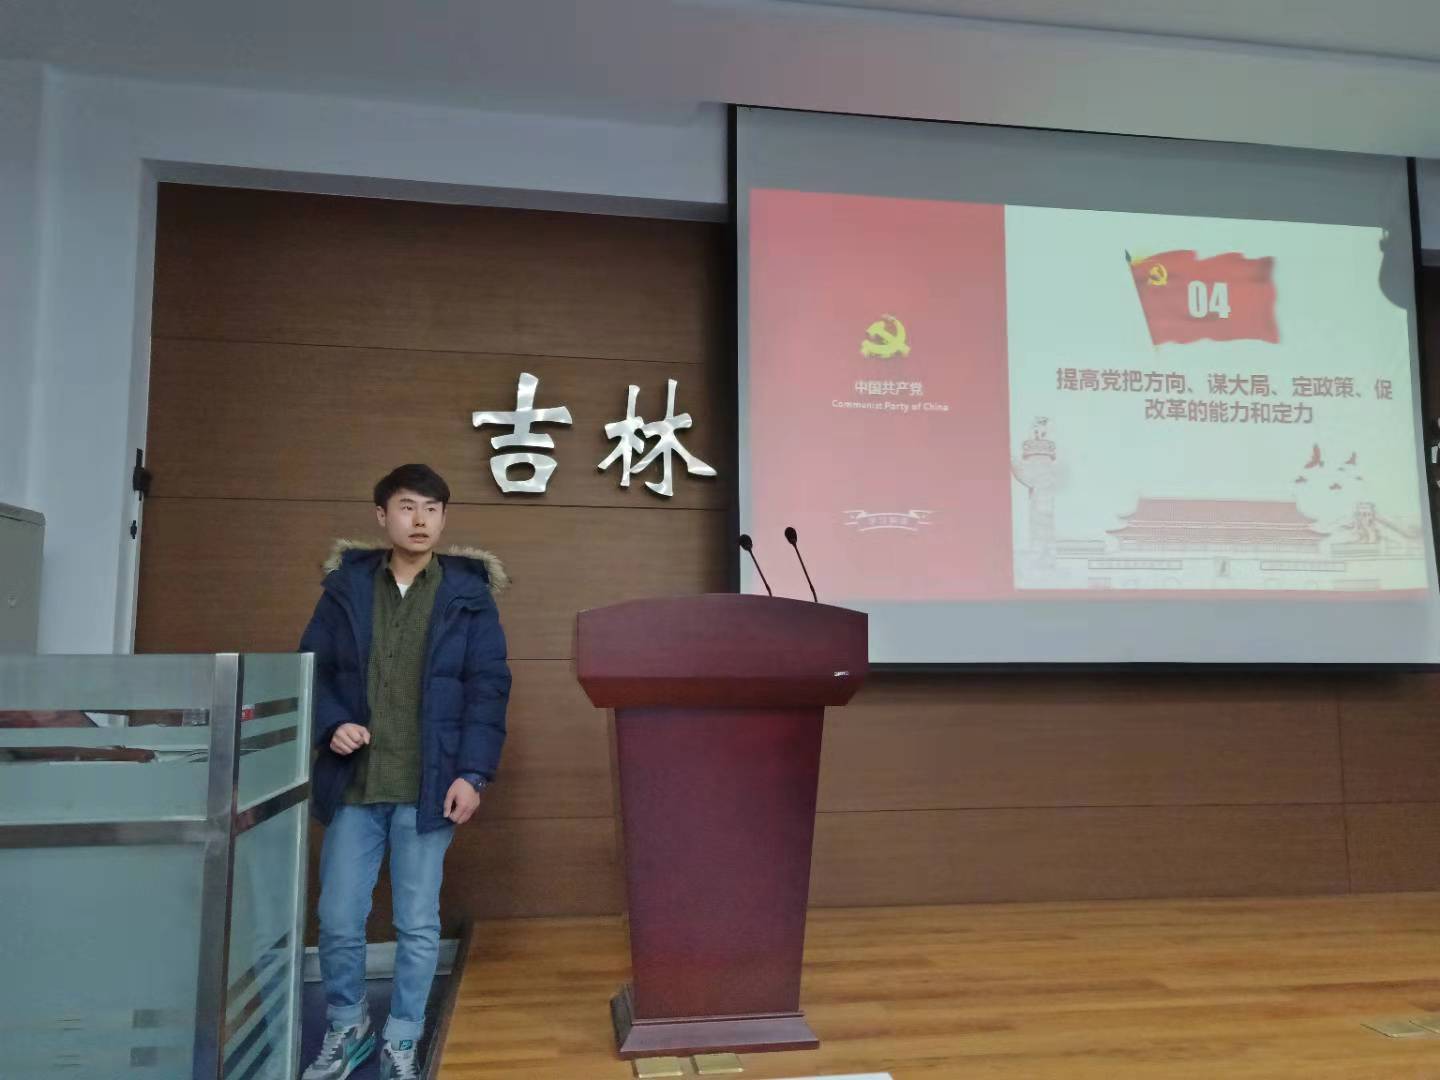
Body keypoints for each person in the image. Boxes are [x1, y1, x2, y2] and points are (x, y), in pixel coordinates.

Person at [299, 464, 511, 1080]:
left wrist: (473, 773)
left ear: (444, 518)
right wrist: (331, 724)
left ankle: (403, 1036)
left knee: (417, 924)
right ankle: (348, 1025)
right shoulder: (346, 589)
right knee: (339, 918)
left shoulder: (468, 596)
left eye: (432, 509)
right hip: (356, 783)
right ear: (382, 516)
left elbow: (488, 688)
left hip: (429, 784)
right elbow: (311, 667)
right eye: (407, 507)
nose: (420, 520)